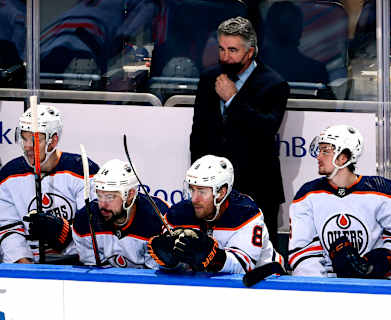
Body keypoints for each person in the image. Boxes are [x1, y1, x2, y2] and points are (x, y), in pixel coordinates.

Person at [190, 16, 289, 249]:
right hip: (213, 188)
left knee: (262, 254)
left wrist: (233, 99)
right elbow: (198, 134)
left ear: (250, 52)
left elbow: (266, 128)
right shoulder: (208, 78)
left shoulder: (274, 83)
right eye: (222, 49)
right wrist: (197, 182)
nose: (225, 57)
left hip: (257, 186)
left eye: (233, 50)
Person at [288, 125, 391, 278]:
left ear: (343, 157)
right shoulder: (307, 195)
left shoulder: (384, 191)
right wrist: (322, 288)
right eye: (320, 150)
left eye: (325, 151)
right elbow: (302, 250)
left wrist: (374, 265)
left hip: (374, 283)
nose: (318, 157)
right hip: (326, 283)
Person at [147, 155, 283, 273]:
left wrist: (213, 256)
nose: (194, 199)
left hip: (266, 282)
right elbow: (178, 268)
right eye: (192, 190)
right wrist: (170, 262)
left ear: (221, 193)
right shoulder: (177, 215)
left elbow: (243, 266)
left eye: (201, 191)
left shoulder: (246, 214)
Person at [0, 104, 99, 263]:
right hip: (29, 267)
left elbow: (94, 234)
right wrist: (26, 271)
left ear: (53, 141)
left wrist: (63, 233)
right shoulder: (8, 175)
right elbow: (8, 229)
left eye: (34, 140)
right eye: (24, 138)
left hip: (75, 266)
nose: (27, 146)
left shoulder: (82, 170)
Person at [27, 159, 171, 268]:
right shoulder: (86, 219)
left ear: (130, 194)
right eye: (99, 195)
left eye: (110, 197)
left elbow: (157, 277)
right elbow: (93, 270)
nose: (102, 204)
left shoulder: (158, 217)